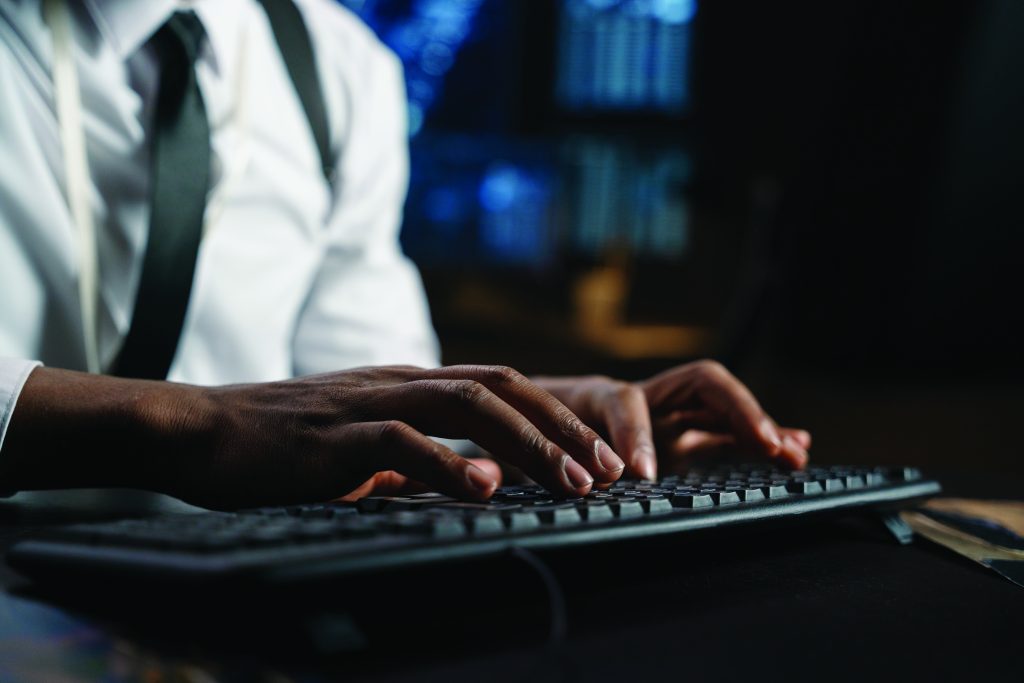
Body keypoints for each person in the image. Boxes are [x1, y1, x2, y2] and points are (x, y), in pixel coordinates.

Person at [0, 0, 810, 510]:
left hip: (215, 605)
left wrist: (549, 430)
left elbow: (357, 403)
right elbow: (255, 426)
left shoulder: (339, 66)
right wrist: (189, 425)